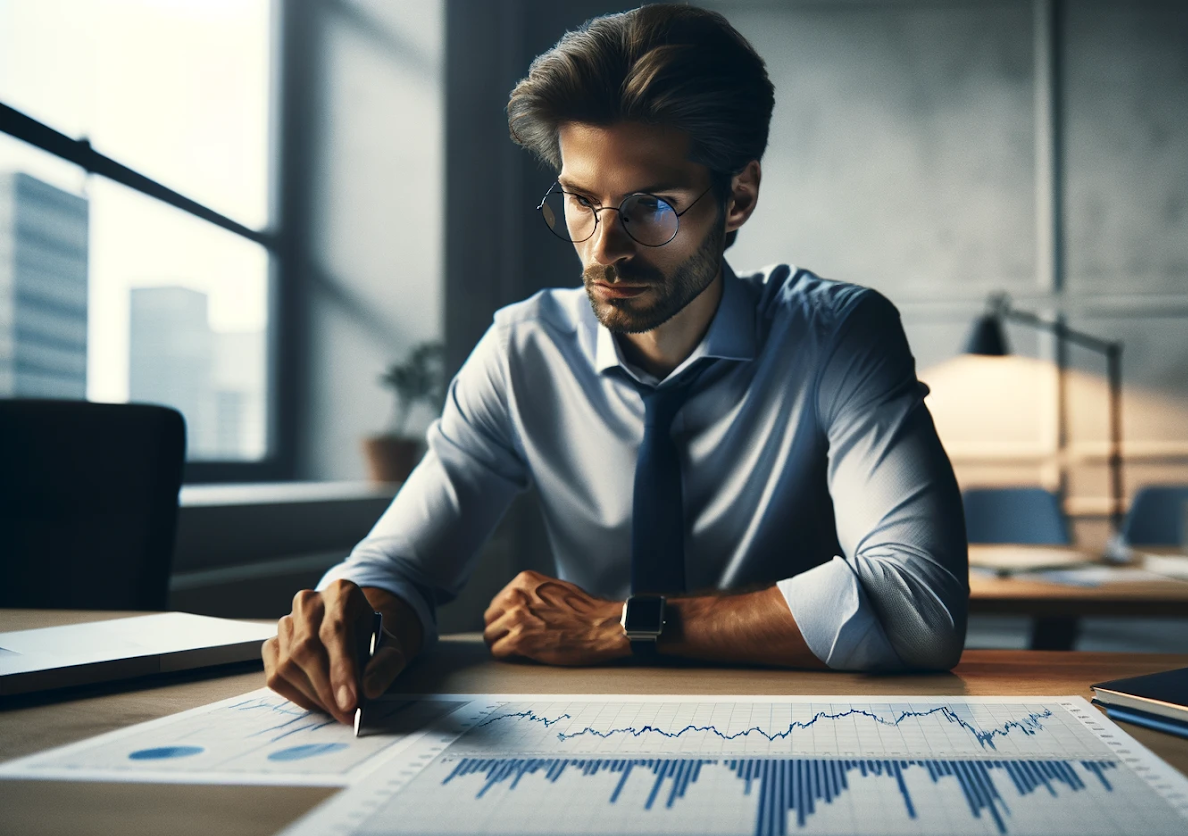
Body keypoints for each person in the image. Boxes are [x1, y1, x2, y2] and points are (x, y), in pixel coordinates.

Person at [262, 4, 967, 723]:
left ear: (739, 197)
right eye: (579, 201)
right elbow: (398, 569)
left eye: (651, 207)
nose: (603, 250)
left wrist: (623, 624)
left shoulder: (838, 336)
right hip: (584, 727)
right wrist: (358, 628)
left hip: (803, 729)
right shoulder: (521, 352)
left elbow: (918, 609)